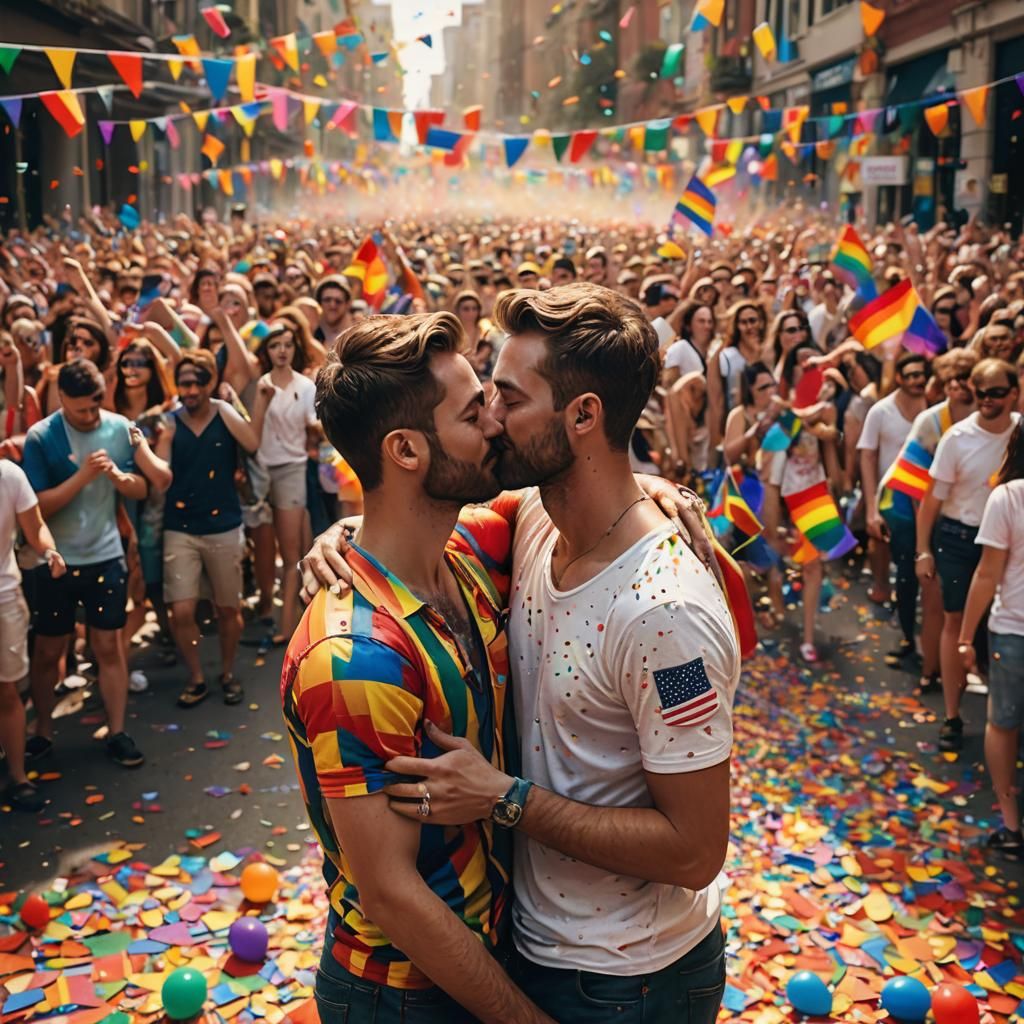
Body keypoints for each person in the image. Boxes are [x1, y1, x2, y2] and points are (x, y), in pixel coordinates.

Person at [376, 283, 740, 1023]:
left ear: (582, 416)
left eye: (508, 398)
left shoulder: (664, 612)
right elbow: (414, 521)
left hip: (629, 983)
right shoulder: (539, 511)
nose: (488, 419)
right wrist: (339, 543)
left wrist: (500, 797)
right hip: (543, 948)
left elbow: (696, 849)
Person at [282, 311, 554, 1024]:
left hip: (473, 961)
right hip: (402, 995)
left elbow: (562, 493)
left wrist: (657, 493)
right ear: (405, 449)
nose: (496, 422)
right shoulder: (355, 655)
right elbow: (392, 895)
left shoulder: (462, 550)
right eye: (473, 413)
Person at [21, 360, 147, 768]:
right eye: (81, 410)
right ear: (61, 400)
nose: (91, 416)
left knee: (108, 645)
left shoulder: (117, 427)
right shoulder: (42, 437)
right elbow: (36, 504)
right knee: (48, 650)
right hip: (55, 560)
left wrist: (119, 479)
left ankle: (117, 730)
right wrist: (83, 476)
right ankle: (42, 729)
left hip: (105, 554)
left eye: (95, 406)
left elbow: (142, 486)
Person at [916, 358, 1021, 751]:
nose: (987, 400)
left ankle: (1004, 715)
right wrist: (922, 550)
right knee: (955, 620)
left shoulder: (1021, 433)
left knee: (1002, 625)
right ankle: (952, 716)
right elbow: (930, 501)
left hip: (1008, 540)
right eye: (980, 392)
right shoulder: (956, 438)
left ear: (1014, 393)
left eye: (996, 392)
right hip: (960, 537)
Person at [163, 350, 270, 708]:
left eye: (195, 382)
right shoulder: (169, 422)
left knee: (228, 609)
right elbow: (161, 475)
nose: (188, 390)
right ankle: (196, 677)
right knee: (181, 611)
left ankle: (227, 672)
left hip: (224, 524)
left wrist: (258, 405)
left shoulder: (224, 413)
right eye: (183, 383)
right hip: (180, 527)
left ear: (208, 383)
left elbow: (252, 445)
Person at [959, 421, 1024, 855]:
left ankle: (1011, 824)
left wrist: (965, 636)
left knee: (1002, 723)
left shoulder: (1009, 497)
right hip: (1012, 631)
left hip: (1013, 630)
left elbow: (988, 574)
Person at [0, 458, 66, 811]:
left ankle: (18, 776)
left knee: (7, 690)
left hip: (5, 598)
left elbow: (35, 525)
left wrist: (49, 550)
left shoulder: (9, 475)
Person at [253, 322, 319, 644]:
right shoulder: (260, 385)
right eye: (275, 345)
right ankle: (265, 606)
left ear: (295, 349)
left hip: (292, 468)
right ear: (266, 351)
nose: (282, 350)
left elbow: (313, 423)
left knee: (291, 552)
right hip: (261, 471)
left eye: (287, 344)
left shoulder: (306, 386)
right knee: (263, 548)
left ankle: (287, 627)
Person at [859, 353, 929, 614]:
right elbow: (867, 455)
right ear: (899, 378)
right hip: (887, 494)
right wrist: (870, 506)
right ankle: (881, 587)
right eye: (910, 375)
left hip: (922, 496)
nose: (916, 380)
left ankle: (911, 599)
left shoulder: (933, 408)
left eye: (920, 375)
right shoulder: (880, 411)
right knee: (880, 540)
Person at [313, 276, 353, 347]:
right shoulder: (309, 332)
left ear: (347, 304)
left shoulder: (355, 335)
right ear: (319, 302)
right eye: (327, 300)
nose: (332, 305)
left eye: (338, 301)